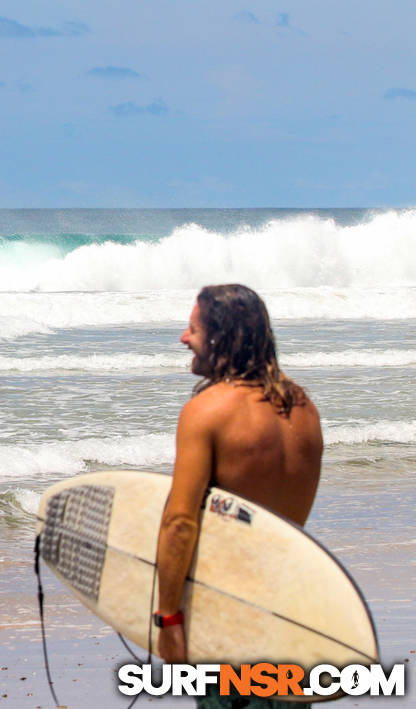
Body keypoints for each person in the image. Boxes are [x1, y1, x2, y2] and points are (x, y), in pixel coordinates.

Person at [155, 285, 323, 703]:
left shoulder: (209, 410)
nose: (183, 338)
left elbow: (180, 522)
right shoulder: (303, 409)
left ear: (219, 337)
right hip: (292, 612)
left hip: (227, 616)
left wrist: (169, 617)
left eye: (192, 329)